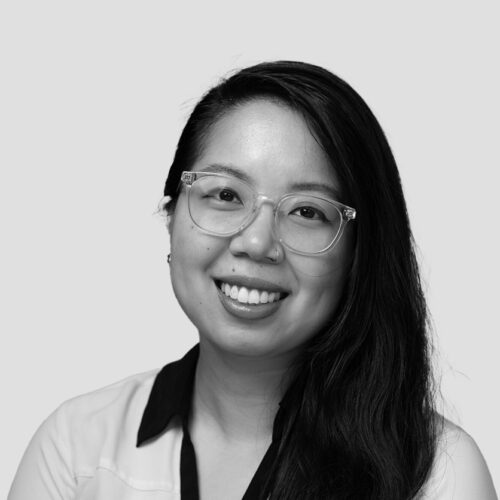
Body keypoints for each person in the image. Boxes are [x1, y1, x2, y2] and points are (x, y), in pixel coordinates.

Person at [8, 61, 497, 500]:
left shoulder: (439, 475)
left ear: (358, 254)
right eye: (225, 194)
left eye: (307, 211)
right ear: (171, 215)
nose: (258, 242)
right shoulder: (76, 450)